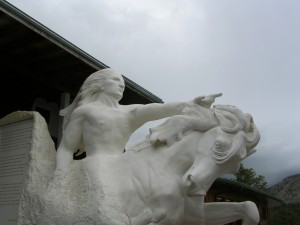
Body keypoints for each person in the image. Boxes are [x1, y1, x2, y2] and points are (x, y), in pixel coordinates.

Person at [55, 68, 220, 171]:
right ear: (100, 84)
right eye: (116, 80)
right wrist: (61, 176)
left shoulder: (129, 112)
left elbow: (161, 108)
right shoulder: (85, 112)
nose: (121, 85)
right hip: (93, 168)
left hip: (120, 167)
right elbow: (66, 148)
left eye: (123, 83)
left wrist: (191, 103)